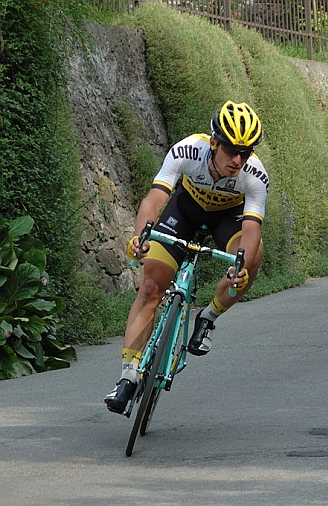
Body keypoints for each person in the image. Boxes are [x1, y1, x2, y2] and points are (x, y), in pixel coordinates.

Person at [104, 100, 269, 415]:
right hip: (186, 210)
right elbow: (154, 199)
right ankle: (128, 374)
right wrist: (140, 237)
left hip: (229, 219)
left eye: (245, 153)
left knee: (251, 257)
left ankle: (208, 317)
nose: (238, 159)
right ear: (214, 143)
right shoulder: (187, 151)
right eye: (232, 150)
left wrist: (240, 265)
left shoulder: (255, 175)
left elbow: (250, 230)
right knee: (152, 286)